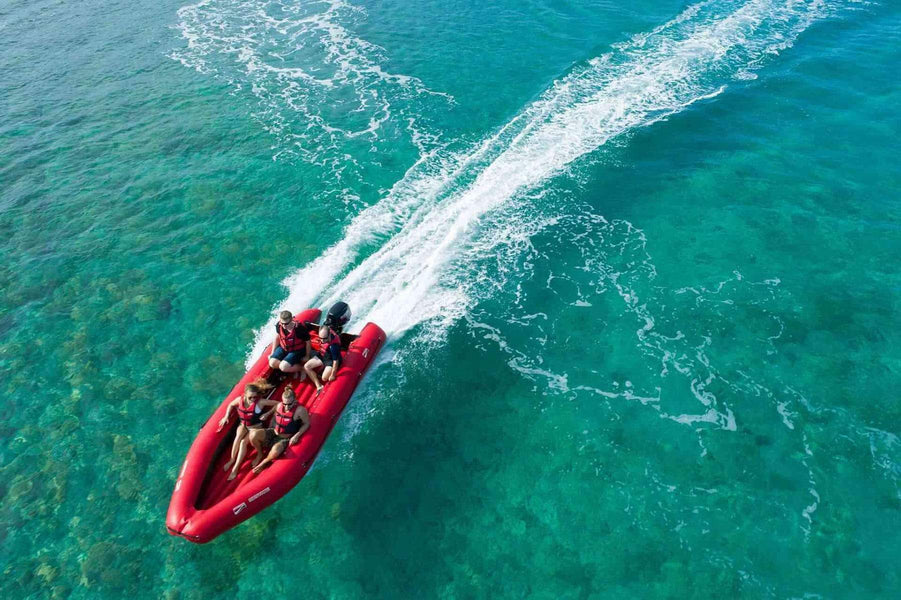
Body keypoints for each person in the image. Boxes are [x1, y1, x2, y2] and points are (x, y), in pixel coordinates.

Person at [217, 383, 277, 481]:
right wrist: (226, 416)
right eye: (250, 397)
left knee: (243, 442)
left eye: (255, 397)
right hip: (244, 425)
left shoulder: (260, 402)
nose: (253, 399)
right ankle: (232, 459)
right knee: (238, 436)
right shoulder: (239, 400)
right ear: (245, 395)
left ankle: (235, 469)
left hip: (255, 428)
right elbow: (231, 404)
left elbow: (277, 403)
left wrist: (268, 413)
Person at [249, 387, 311, 474]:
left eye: (289, 404)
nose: (286, 406)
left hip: (284, 438)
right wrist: (267, 414)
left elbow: (306, 423)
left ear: (295, 401)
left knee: (276, 450)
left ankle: (264, 462)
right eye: (284, 404)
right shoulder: (279, 406)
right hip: (274, 432)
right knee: (253, 434)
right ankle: (260, 453)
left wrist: (297, 435)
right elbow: (275, 411)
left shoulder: (300, 410)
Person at [268, 310, 312, 378]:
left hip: (297, 350)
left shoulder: (299, 329)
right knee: (272, 363)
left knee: (283, 367)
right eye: (282, 323)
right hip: (284, 348)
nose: (284, 326)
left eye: (286, 324)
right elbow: (277, 337)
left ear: (291, 320)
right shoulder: (279, 325)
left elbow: (308, 342)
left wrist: (307, 355)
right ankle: (293, 367)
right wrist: (272, 352)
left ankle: (302, 369)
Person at [304, 324, 342, 394]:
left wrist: (333, 375)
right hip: (323, 354)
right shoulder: (326, 332)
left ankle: (323, 372)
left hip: (330, 360)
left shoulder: (333, 346)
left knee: (324, 378)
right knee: (306, 366)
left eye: (324, 338)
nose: (322, 340)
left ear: (329, 335)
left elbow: (335, 361)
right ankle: (319, 386)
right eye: (320, 338)